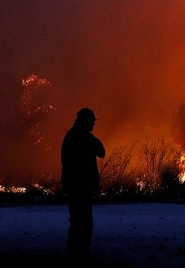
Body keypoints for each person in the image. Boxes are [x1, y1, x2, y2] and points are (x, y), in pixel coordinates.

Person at [60, 107, 106, 262]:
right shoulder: (84, 138)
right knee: (83, 223)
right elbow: (101, 151)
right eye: (92, 122)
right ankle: (79, 255)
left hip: (74, 186)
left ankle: (75, 253)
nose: (93, 124)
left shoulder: (71, 136)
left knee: (77, 222)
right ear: (86, 122)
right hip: (81, 186)